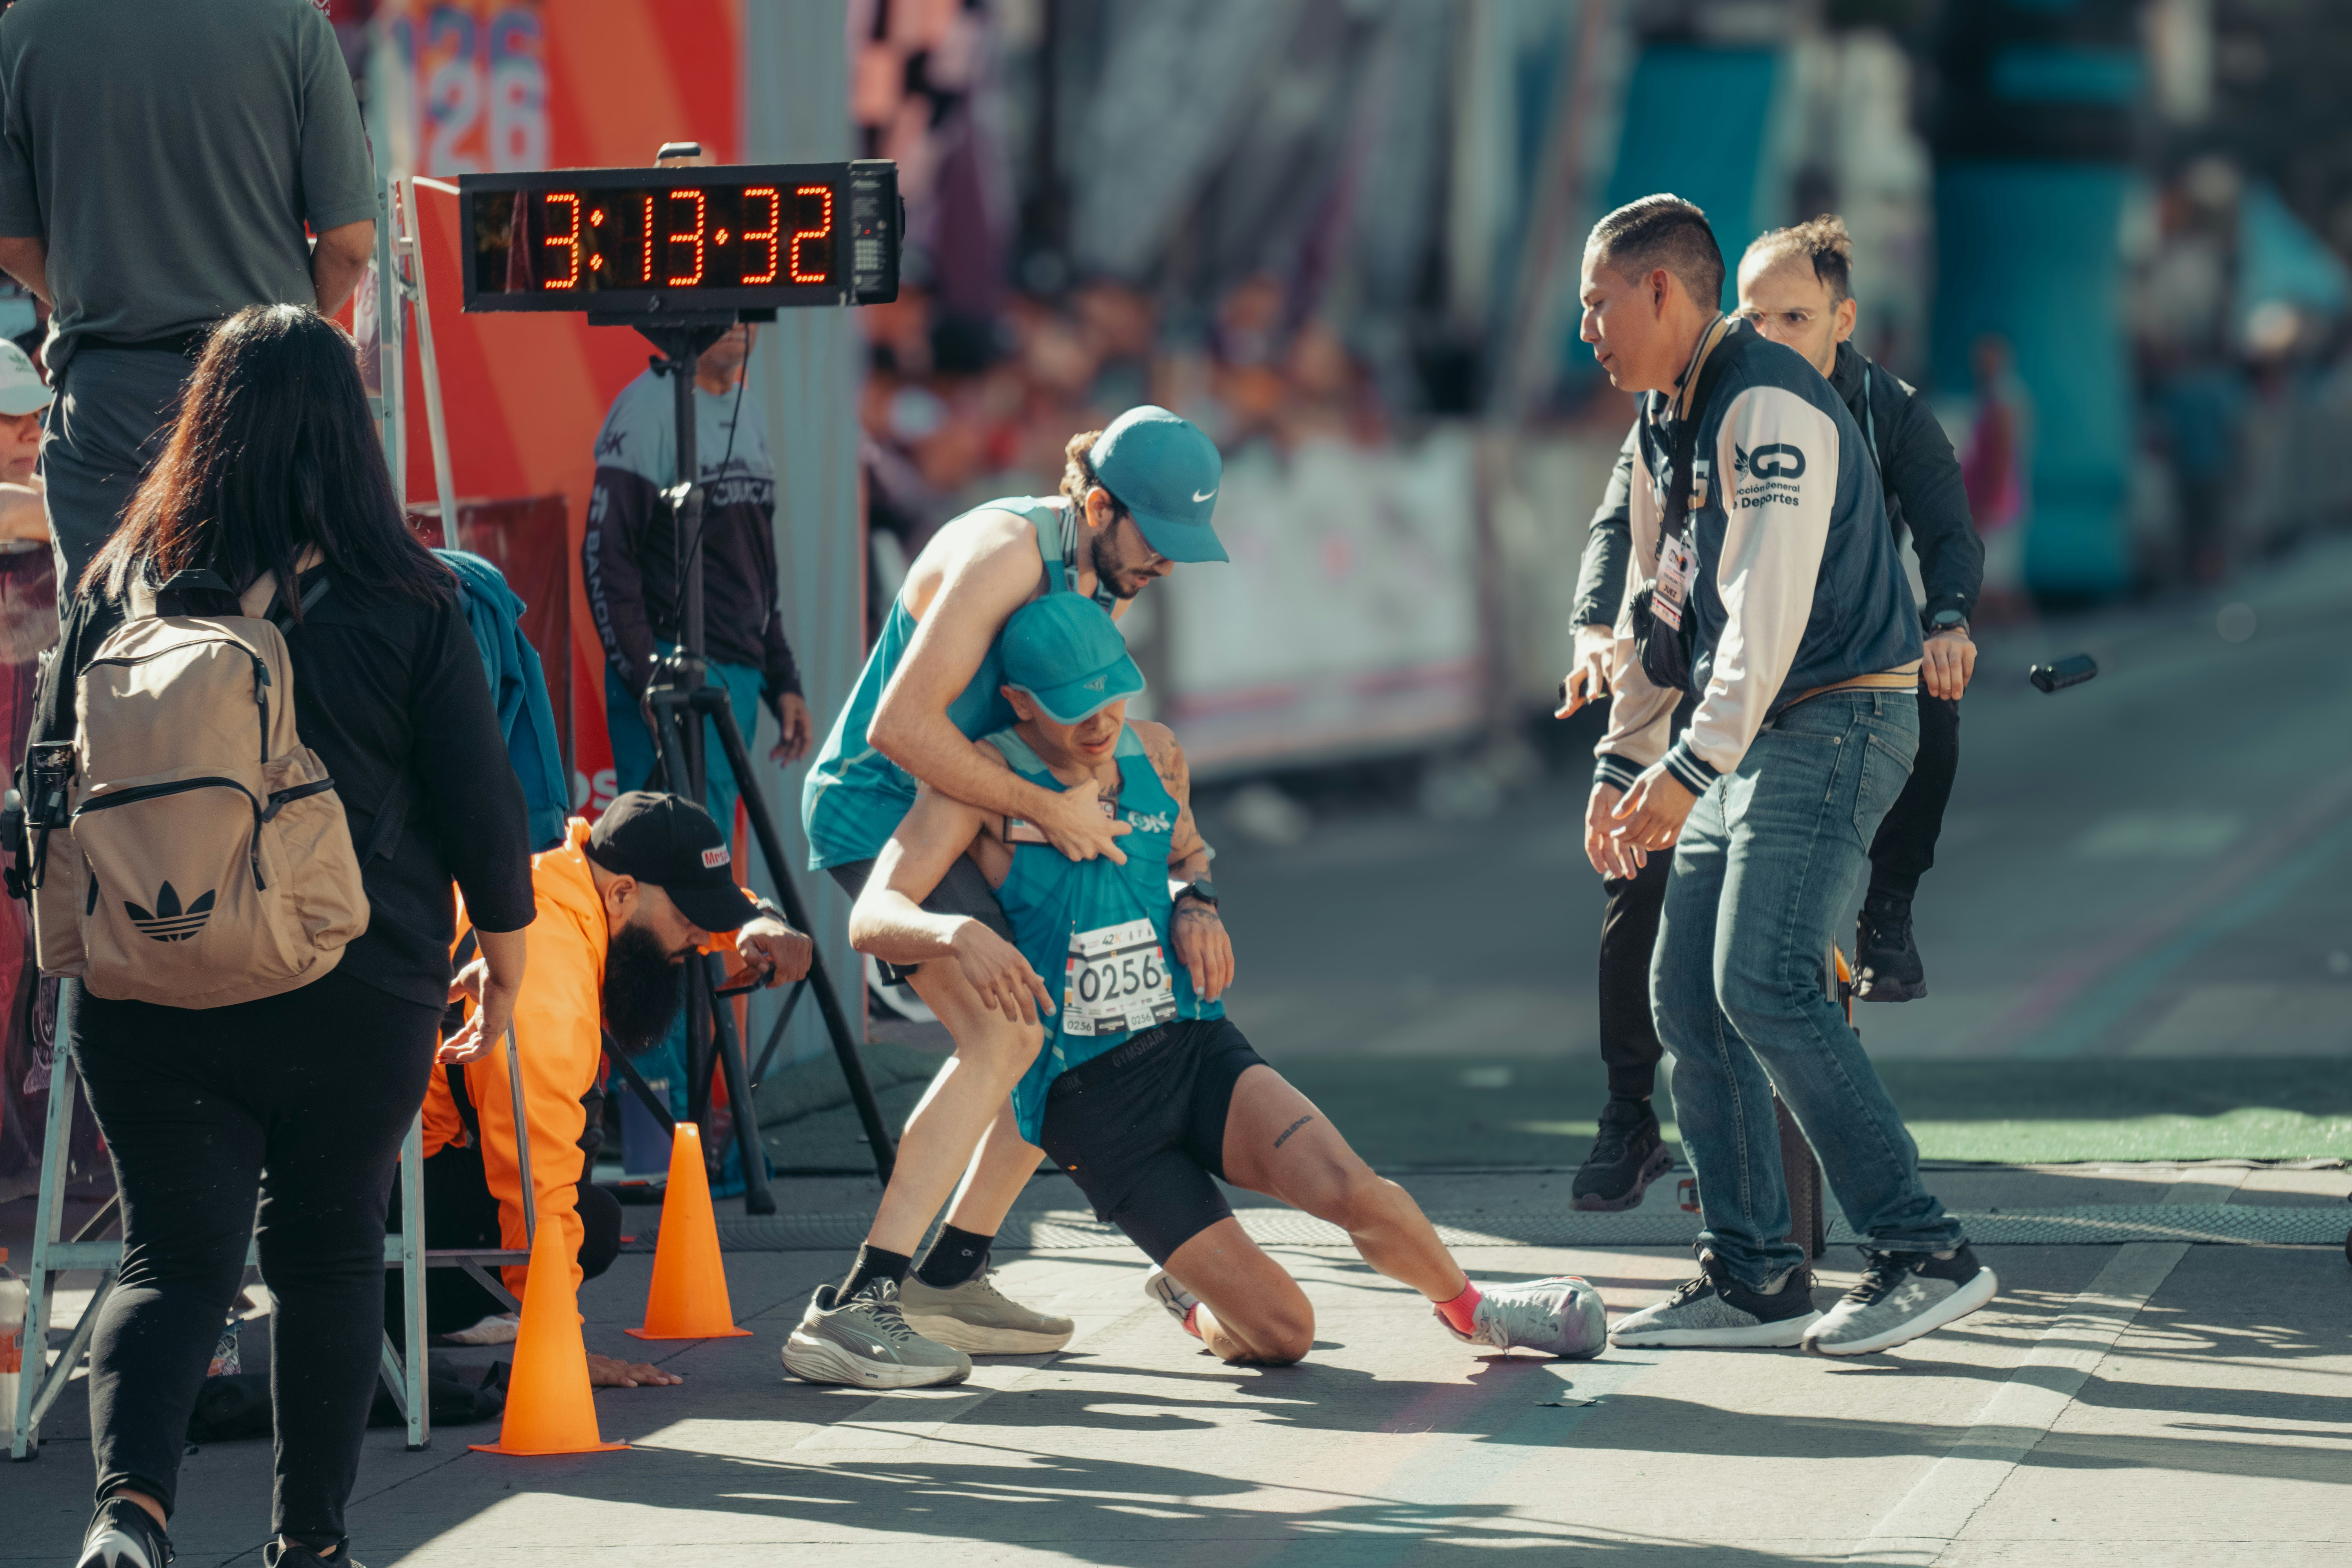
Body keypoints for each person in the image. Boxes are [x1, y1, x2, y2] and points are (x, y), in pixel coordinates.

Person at [39, 307, 534, 1568]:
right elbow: (485, 812)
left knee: (171, 1255)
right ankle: (309, 1546)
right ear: (353, 433)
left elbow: (47, 781)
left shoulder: (115, 586)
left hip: (146, 980)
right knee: (325, 1257)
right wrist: (507, 965)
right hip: (352, 984)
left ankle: (127, 1519)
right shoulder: (409, 595)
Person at [818, 594, 1604, 1379]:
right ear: (1020, 702)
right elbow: (875, 915)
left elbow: (1191, 856)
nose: (1100, 724)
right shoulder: (978, 783)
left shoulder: (1156, 751)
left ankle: (1475, 1310)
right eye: (1072, 708)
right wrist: (957, 931)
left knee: (1353, 1188)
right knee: (1285, 1332)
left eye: (1112, 697)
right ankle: (1192, 1298)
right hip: (1093, 1108)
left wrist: (1199, 902)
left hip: (1194, 1049)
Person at [1570, 196, 1994, 1355]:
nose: (1587, 328)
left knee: (1764, 981)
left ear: (1663, 291)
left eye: (1598, 302)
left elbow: (1762, 610)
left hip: (1838, 717)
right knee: (1686, 998)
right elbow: (1666, 614)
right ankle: (1758, 1273)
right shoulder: (1670, 414)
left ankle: (1923, 1250)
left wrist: (1685, 769)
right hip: (1756, 732)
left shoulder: (1762, 403)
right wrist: (1622, 766)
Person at [791, 405, 1226, 1383]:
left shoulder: (1099, 567)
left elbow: (1070, 723)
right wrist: (1048, 809)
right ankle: (856, 1305)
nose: (1169, 565)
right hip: (884, 811)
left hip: (975, 807)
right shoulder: (1004, 550)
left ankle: (952, 1272)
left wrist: (1186, 878)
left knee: (1065, 1015)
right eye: (1161, 540)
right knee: (1007, 1033)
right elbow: (902, 728)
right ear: (1102, 504)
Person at [393, 792, 813, 1392]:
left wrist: (754, 921)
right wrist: (559, 1343)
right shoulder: (549, 985)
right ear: (620, 893)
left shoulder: (561, 882)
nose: (696, 941)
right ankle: (392, 1310)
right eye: (693, 922)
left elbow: (678, 906)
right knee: (587, 1220)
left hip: (385, 1166)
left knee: (587, 1210)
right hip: (374, 1211)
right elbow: (537, 1182)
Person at [0, 0, 378, 596]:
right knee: (276, 652)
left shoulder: (25, 30)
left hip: (106, 399)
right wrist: (279, 343)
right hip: (268, 403)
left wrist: (96, 295)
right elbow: (351, 244)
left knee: (111, 656)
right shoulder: (292, 23)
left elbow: (10, 237)